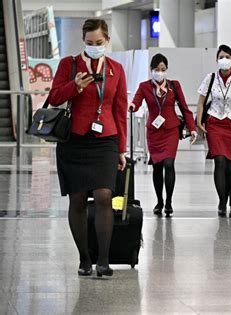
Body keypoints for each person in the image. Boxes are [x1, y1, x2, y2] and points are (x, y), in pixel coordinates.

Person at [49, 19, 128, 277]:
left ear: (107, 41)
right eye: (89, 43)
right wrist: (76, 86)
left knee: (105, 195)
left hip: (106, 139)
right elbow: (54, 97)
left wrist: (122, 149)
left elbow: (119, 110)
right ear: (83, 41)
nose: (94, 47)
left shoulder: (116, 69)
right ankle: (84, 258)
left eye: (99, 43)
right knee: (79, 199)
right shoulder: (69, 65)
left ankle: (103, 260)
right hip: (74, 140)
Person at [130, 53, 197, 216]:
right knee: (157, 167)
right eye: (156, 69)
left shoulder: (174, 86)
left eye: (163, 69)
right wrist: (132, 105)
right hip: (154, 132)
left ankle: (169, 202)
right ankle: (159, 200)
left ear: (166, 70)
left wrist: (192, 127)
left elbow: (184, 108)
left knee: (169, 163)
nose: (159, 72)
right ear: (151, 69)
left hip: (171, 130)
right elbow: (137, 101)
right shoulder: (144, 86)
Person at [196, 44, 231, 217]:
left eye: (227, 57)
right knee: (219, 161)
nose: (224, 60)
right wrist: (199, 122)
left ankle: (226, 197)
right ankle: (221, 201)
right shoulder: (210, 78)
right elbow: (201, 102)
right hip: (214, 123)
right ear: (217, 60)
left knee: (229, 167)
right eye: (221, 57)